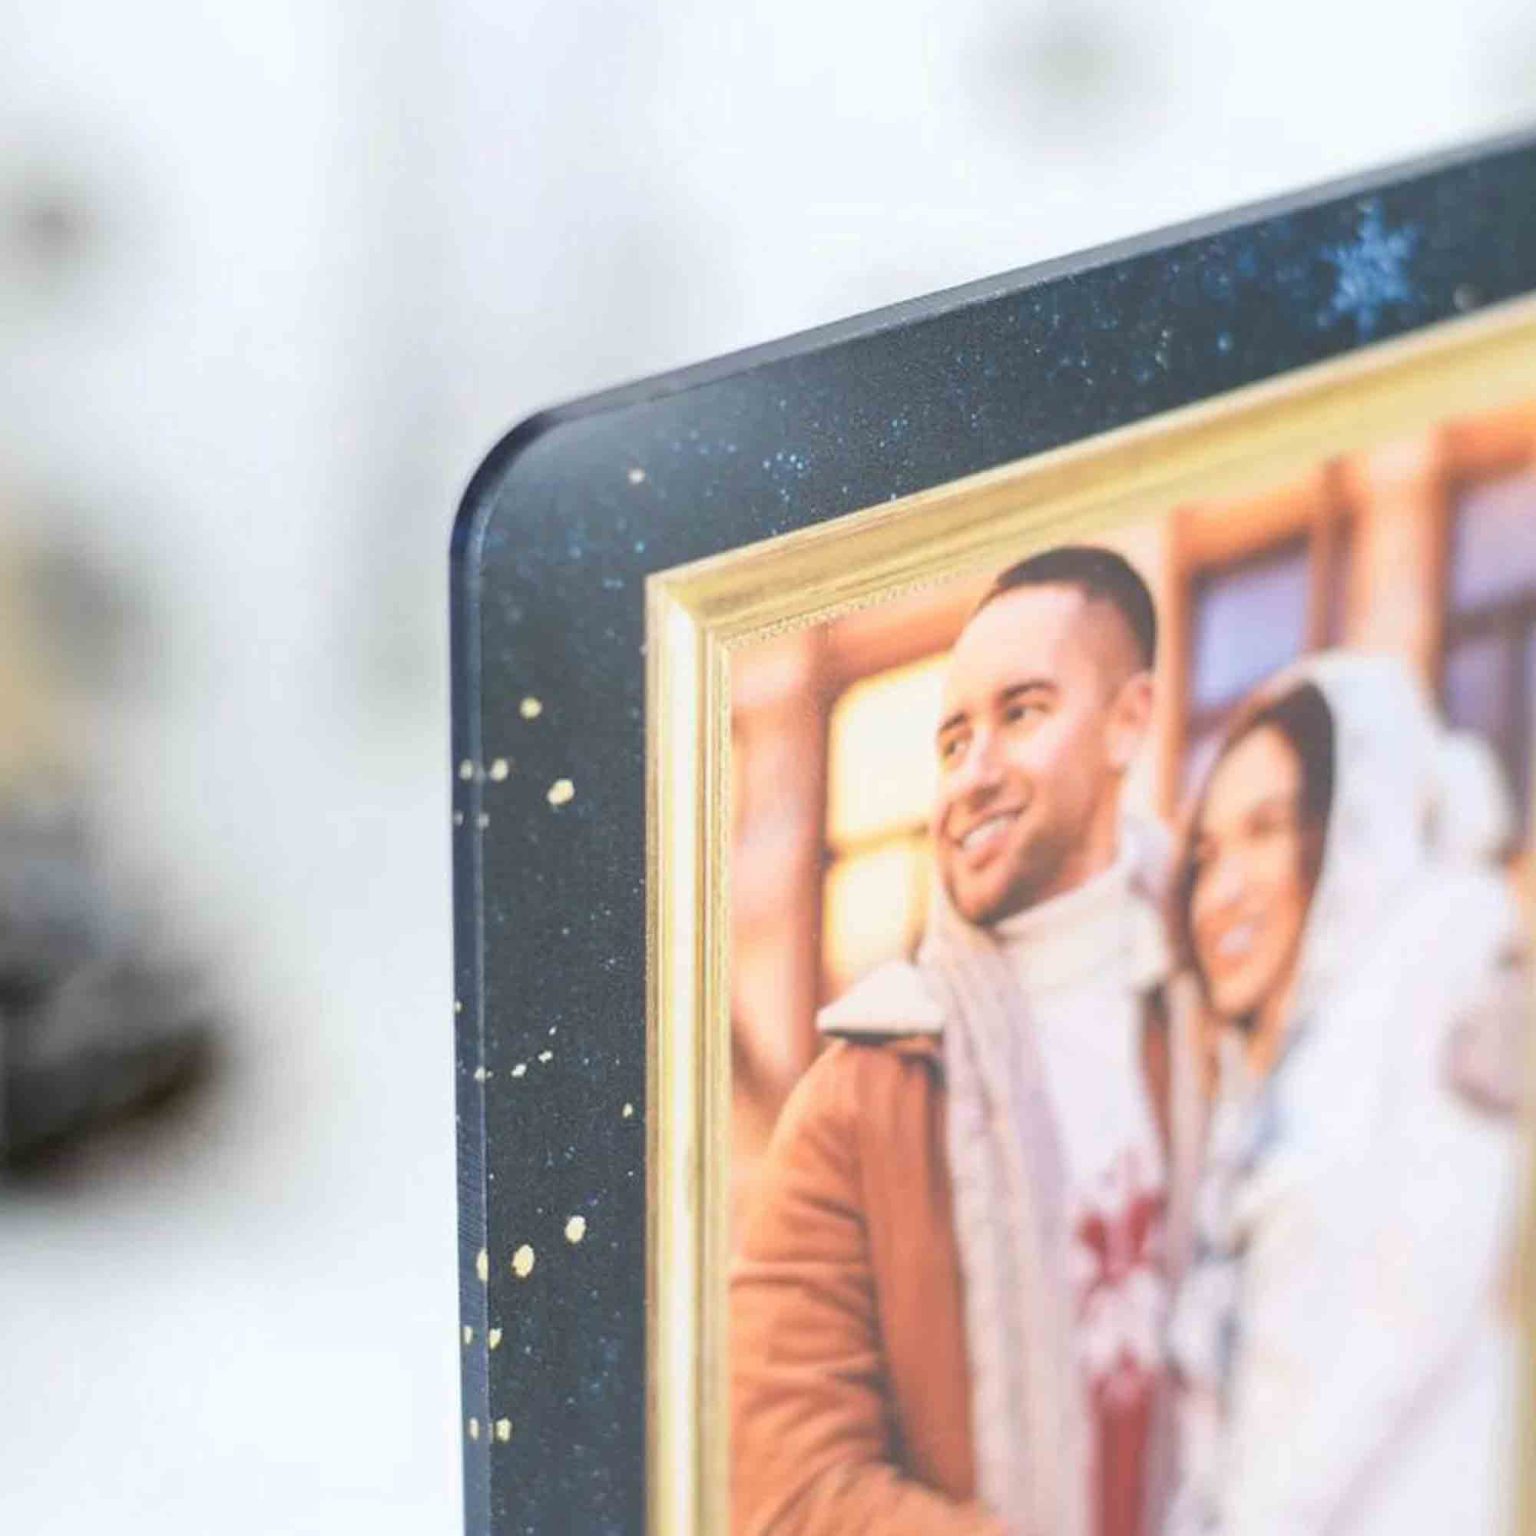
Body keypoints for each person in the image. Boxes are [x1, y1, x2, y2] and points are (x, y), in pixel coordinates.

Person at [731, 547, 1202, 1536]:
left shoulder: (1229, 1018)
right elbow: (788, 1493)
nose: (974, 775)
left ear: (1129, 720)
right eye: (953, 742)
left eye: (1021, 715)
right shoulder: (861, 1100)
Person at [1164, 652, 1528, 1536]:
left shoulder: (1451, 943)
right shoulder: (1258, 1091)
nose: (1220, 892)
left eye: (1265, 829)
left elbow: (1422, 1298)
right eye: (1206, 854)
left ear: (1351, 824)